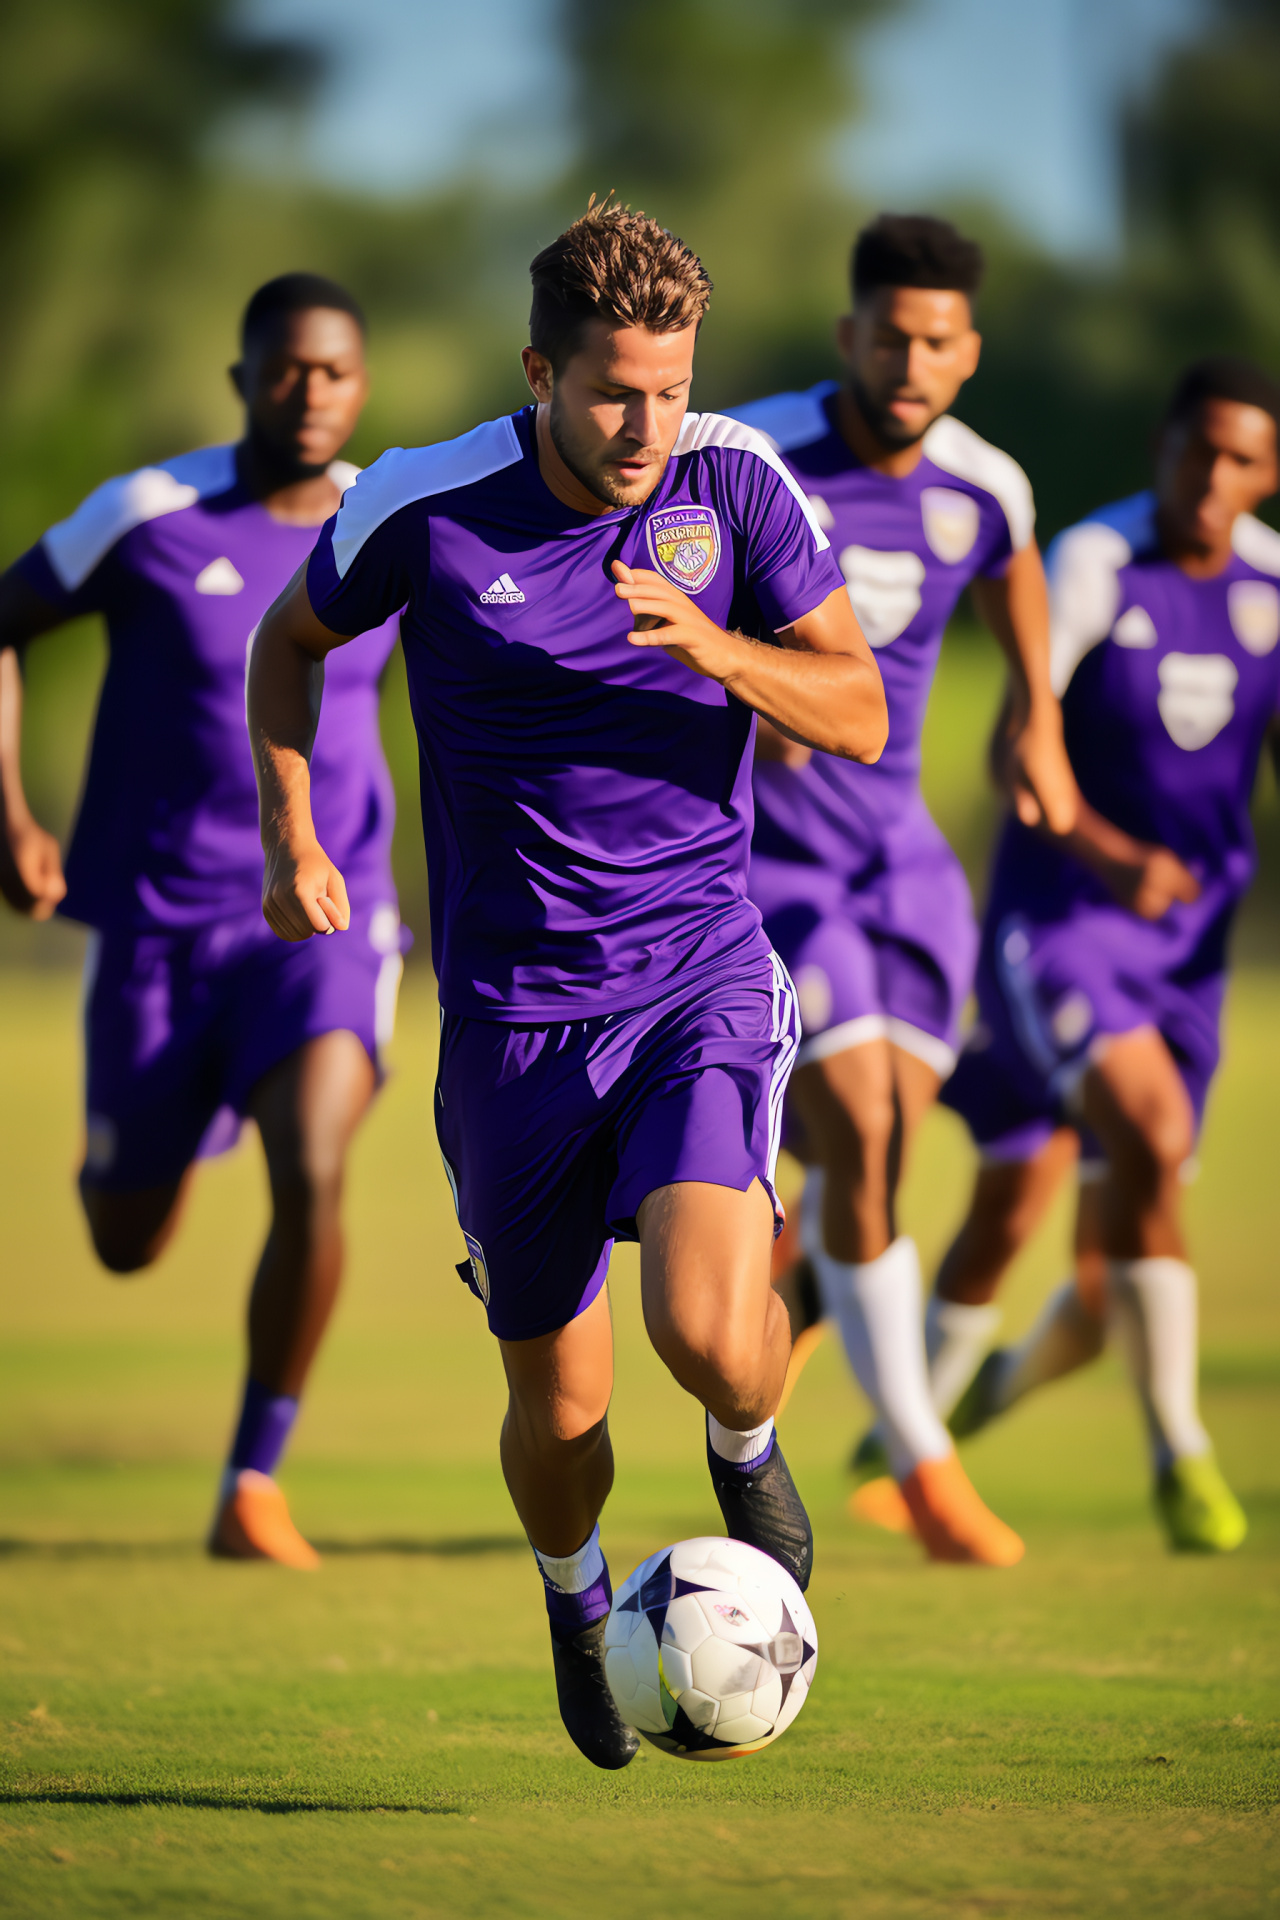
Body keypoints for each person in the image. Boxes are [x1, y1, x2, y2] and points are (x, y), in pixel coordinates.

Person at [247, 198, 887, 1769]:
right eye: (613, 390)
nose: (645, 424)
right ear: (541, 368)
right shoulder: (425, 502)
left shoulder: (737, 482)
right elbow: (287, 645)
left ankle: (749, 1443)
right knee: (565, 1414)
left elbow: (860, 712)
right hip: (516, 1027)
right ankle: (573, 1600)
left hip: (700, 977)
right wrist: (292, 835)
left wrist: (717, 649)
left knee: (704, 1324)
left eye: (671, 387)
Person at [0, 273, 405, 1569]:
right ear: (241, 380)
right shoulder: (151, 515)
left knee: (319, 1165)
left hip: (328, 918)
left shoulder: (390, 519)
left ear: (362, 386)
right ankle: (169, 1129)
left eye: (334, 371)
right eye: (285, 370)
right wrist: (7, 816)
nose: (310, 392)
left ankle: (252, 1478)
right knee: (123, 1239)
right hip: (161, 933)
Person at [727, 215, 1076, 1564]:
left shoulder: (984, 485)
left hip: (910, 868)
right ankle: (924, 1464)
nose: (911, 358)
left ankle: (769, 1349)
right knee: (864, 1131)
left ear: (967, 351)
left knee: (861, 1151)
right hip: (775, 861)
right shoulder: (754, 456)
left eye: (937, 340)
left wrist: (1036, 712)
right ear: (848, 336)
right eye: (889, 335)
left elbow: (1017, 562)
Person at [922, 355, 1280, 1554]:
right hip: (1059, 923)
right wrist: (1102, 848)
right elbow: (1010, 747)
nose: (1211, 477)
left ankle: (947, 1412)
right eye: (1196, 451)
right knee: (1143, 1140)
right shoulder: (1088, 564)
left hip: (1189, 951)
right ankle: (1178, 1452)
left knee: (1084, 1246)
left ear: (1266, 472)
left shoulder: (1270, 588)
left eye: (1239, 459)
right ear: (1159, 446)